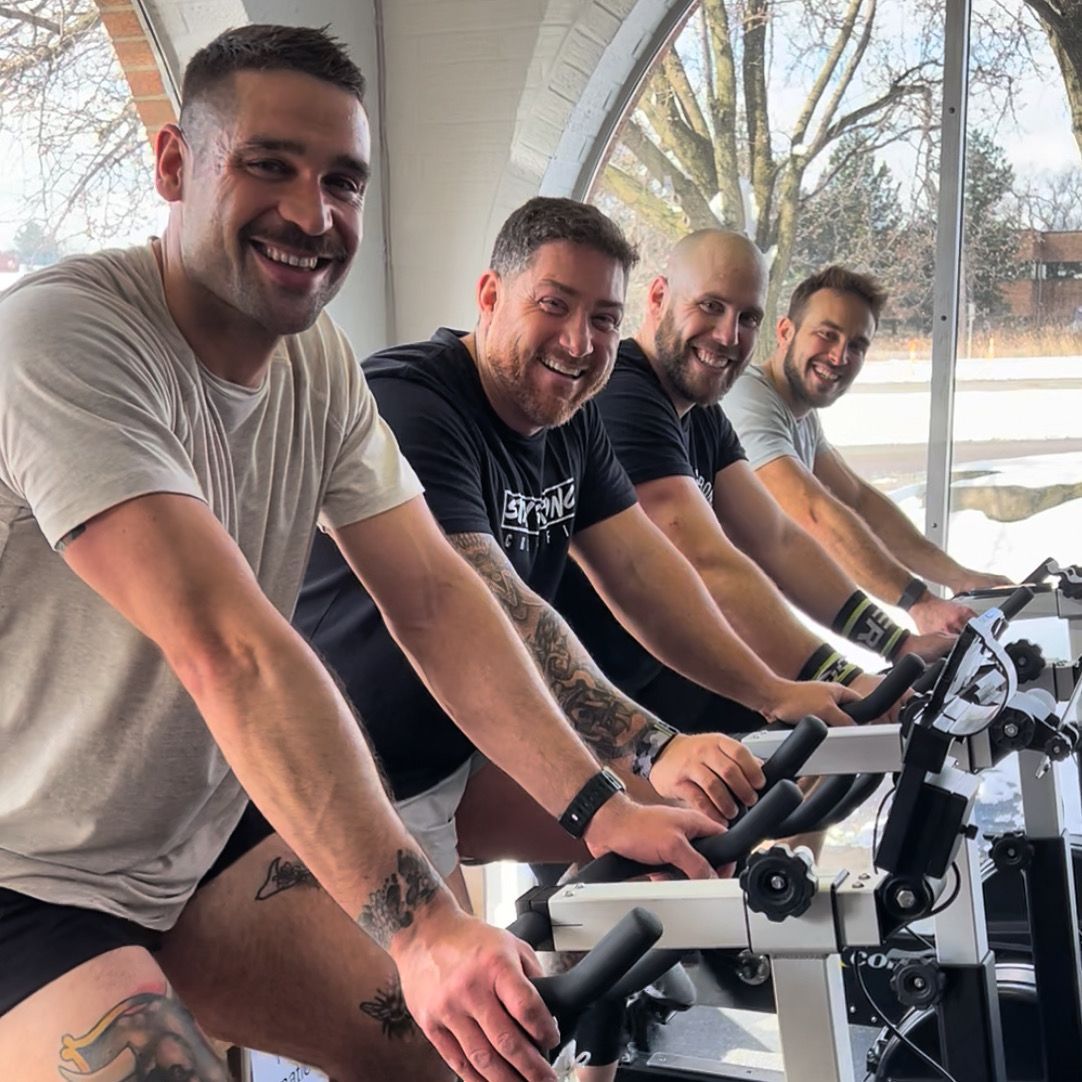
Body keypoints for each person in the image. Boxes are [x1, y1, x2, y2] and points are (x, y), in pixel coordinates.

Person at [0, 27, 732, 1082]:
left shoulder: (314, 366)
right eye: (268, 165)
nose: (312, 213)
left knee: (462, 1057)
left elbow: (435, 595)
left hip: (190, 847)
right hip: (27, 873)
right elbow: (231, 649)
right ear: (173, 165)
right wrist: (425, 929)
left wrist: (600, 800)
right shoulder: (67, 340)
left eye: (342, 180)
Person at [295, 198, 868, 918]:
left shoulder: (571, 420)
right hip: (362, 774)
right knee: (452, 1019)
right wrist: (655, 747)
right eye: (554, 305)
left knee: (710, 831)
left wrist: (769, 690)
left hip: (470, 750)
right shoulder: (412, 402)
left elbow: (643, 572)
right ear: (489, 296)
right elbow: (496, 604)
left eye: (602, 319)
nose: (579, 341)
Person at [555, 231, 953, 737]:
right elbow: (705, 560)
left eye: (747, 318)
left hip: (663, 666)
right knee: (806, 756)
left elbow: (778, 540)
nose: (728, 336)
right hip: (593, 690)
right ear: (659, 298)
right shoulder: (624, 396)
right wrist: (845, 676)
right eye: (711, 306)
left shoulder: (702, 415)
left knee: (825, 754)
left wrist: (897, 646)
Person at [725, 265, 1011, 636]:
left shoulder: (801, 414)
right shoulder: (747, 398)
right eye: (827, 335)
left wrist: (961, 578)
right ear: (785, 332)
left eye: (857, 345)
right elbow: (812, 513)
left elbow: (859, 501)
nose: (840, 357)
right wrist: (919, 603)